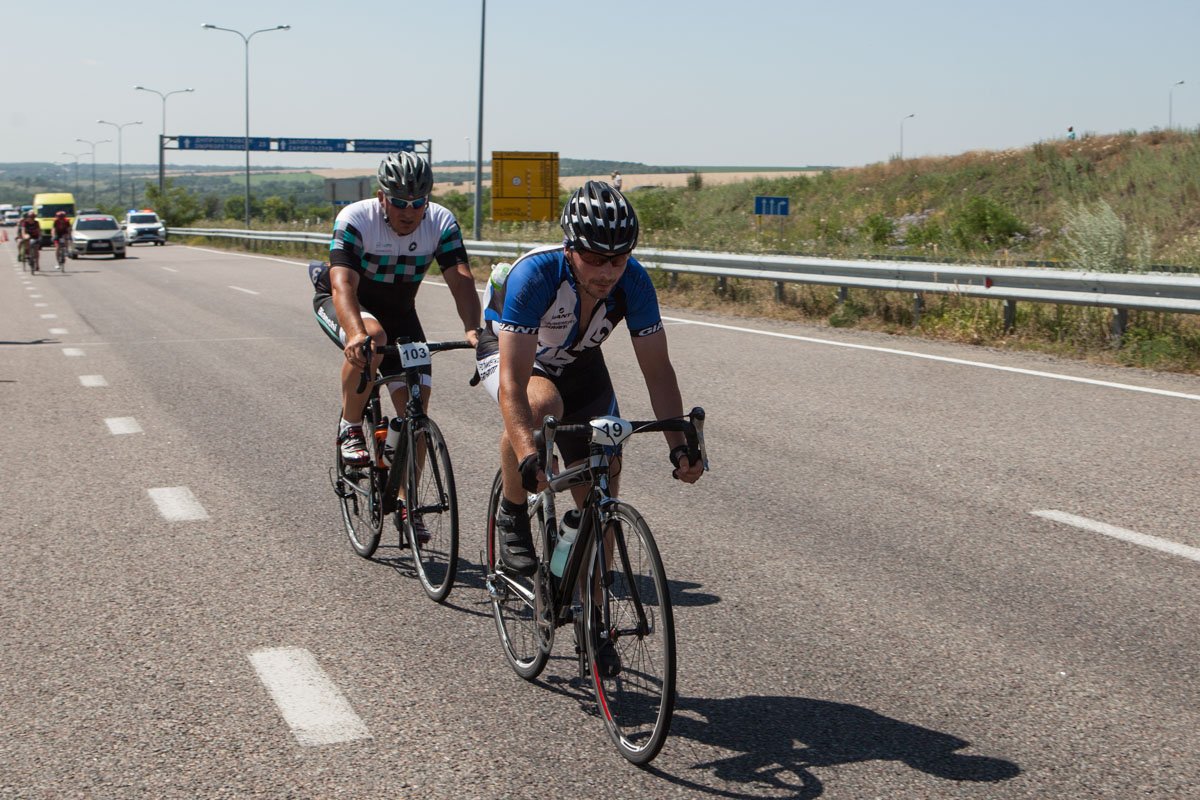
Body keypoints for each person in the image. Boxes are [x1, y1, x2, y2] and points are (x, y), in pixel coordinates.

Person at [476, 179, 703, 579]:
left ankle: (594, 622)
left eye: (618, 259)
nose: (607, 272)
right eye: (595, 258)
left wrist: (679, 444)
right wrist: (529, 453)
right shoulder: (536, 274)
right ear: (570, 248)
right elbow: (513, 382)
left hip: (579, 360)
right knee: (541, 405)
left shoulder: (633, 281)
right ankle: (512, 514)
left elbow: (659, 373)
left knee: (602, 492)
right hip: (511, 352)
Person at [311, 151, 481, 483]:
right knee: (373, 338)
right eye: (399, 202)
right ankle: (350, 426)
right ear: (381, 198)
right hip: (345, 304)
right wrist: (356, 333)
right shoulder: (356, 218)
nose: (409, 211)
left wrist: (474, 329)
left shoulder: (441, 222)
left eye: (418, 202)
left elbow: (461, 280)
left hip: (401, 314)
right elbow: (342, 284)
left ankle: (407, 505)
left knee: (415, 416)